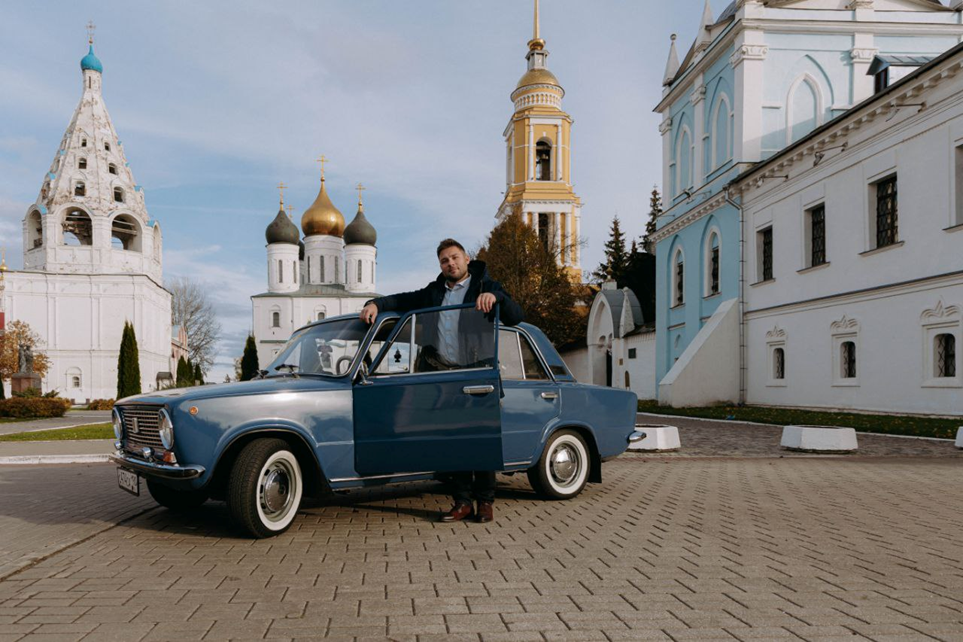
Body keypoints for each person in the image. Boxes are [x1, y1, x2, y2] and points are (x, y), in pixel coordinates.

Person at [359, 238, 523, 523]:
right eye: (445, 260)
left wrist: (498, 299)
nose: (451, 263)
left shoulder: (486, 287)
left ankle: (485, 502)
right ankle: (462, 502)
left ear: (466, 259)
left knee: (480, 440)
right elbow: (401, 300)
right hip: (443, 375)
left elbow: (516, 316)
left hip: (476, 373)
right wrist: (374, 303)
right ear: (441, 266)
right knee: (452, 441)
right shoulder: (433, 292)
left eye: (455, 257)